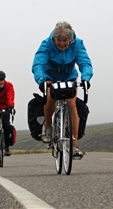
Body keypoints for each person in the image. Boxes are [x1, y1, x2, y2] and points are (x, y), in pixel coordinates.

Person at [32, 21, 93, 157]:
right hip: (50, 77)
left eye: (65, 40)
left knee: (72, 104)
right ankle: (48, 126)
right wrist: (41, 80)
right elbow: (38, 64)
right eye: (59, 40)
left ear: (70, 39)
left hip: (69, 77)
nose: (61, 44)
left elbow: (85, 62)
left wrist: (86, 78)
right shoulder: (47, 44)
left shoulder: (78, 44)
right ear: (54, 38)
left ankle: (73, 145)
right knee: (50, 97)